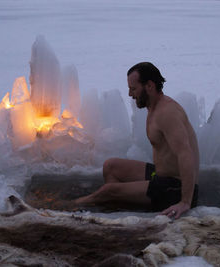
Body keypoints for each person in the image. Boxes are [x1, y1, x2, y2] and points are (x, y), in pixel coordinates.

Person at [75, 62, 199, 219]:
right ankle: (121, 212)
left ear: (149, 86)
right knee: (111, 166)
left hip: (176, 188)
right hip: (161, 176)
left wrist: (185, 202)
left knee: (108, 191)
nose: (129, 94)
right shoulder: (154, 107)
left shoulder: (168, 113)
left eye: (133, 89)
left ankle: (68, 208)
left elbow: (185, 154)